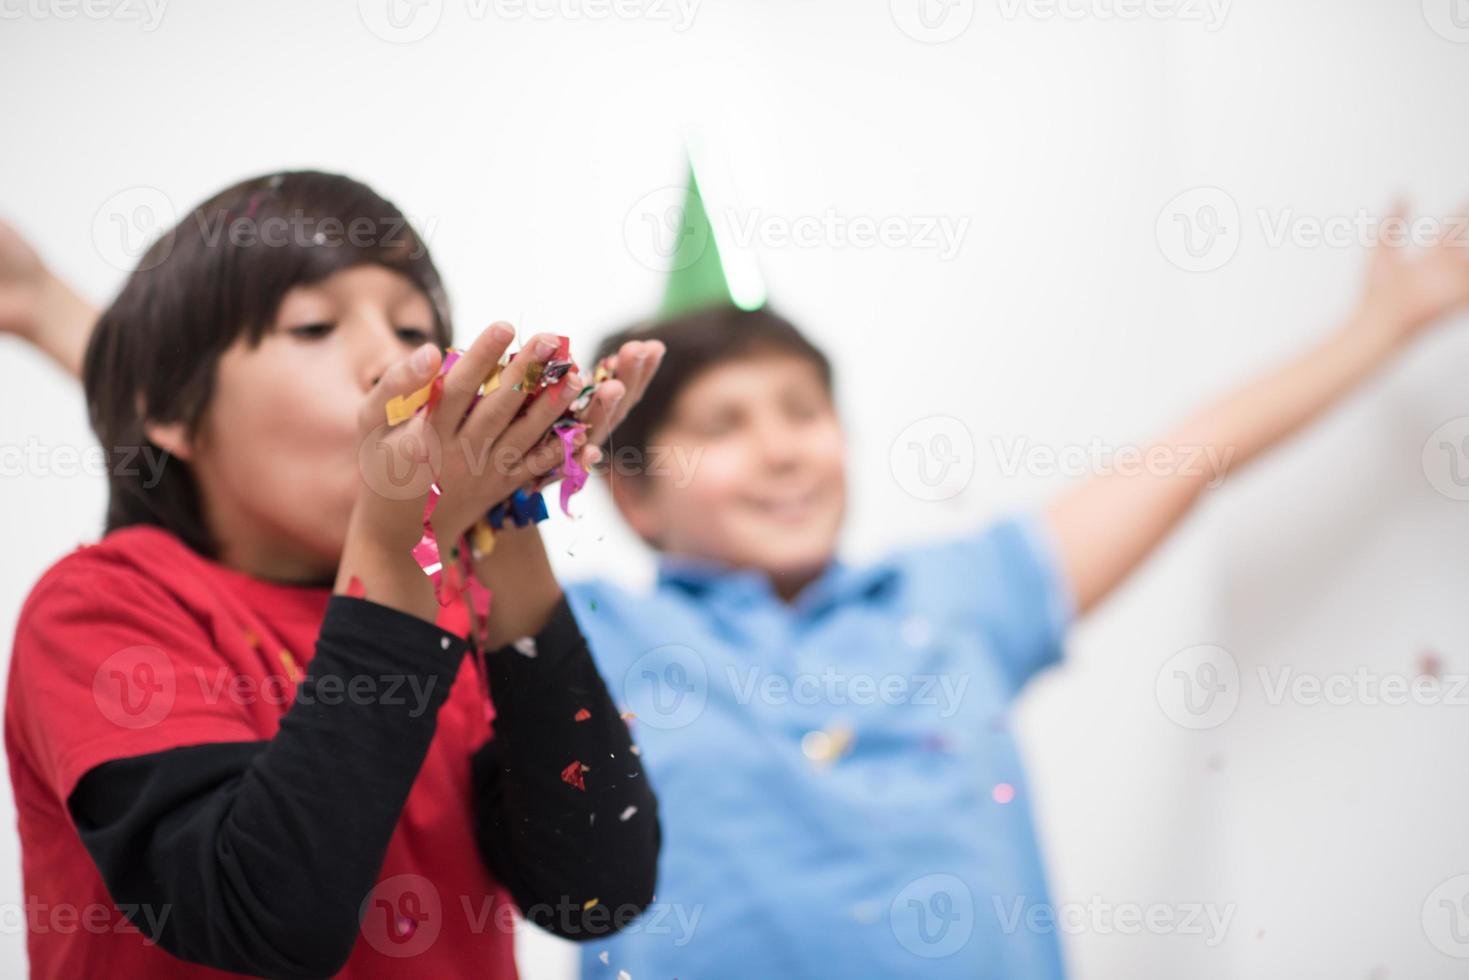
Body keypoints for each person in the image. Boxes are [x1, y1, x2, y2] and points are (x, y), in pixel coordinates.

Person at [7, 194, 1469, 978]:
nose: (778, 450)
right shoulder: (591, 631)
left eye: (803, 411)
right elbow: (267, 462)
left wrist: (1379, 330)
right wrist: (89, 328)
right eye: (717, 425)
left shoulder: (955, 602)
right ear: (623, 495)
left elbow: (1181, 464)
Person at [0, 171, 666, 979]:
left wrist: (506, 513)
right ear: (170, 412)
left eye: (415, 330)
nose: (394, 362)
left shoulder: (446, 603)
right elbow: (263, 917)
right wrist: (396, 546)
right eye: (314, 326)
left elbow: (596, 893)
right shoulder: (102, 603)